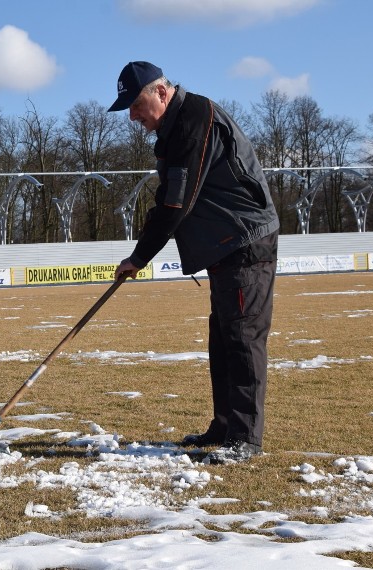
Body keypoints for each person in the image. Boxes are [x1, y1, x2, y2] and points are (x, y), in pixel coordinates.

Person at [108, 61, 279, 464]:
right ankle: (224, 426)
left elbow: (175, 204)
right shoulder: (175, 128)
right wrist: (139, 253)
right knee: (222, 340)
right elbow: (168, 198)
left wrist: (139, 256)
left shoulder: (192, 120)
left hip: (244, 242)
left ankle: (245, 439)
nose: (132, 115)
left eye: (135, 104)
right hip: (225, 246)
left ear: (161, 92)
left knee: (242, 339)